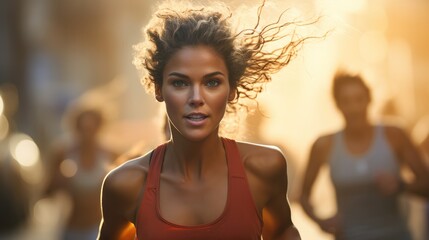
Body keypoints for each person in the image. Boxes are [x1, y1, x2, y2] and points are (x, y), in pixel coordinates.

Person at [98, 1, 307, 239]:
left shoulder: (264, 168)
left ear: (231, 89)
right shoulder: (126, 185)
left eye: (211, 82)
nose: (196, 98)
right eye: (180, 83)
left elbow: (282, 231)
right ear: (158, 89)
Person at [300, 71, 429, 240]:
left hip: (395, 235)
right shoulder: (324, 145)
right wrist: (321, 221)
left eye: (359, 99)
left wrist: (400, 185)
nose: (354, 108)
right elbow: (302, 196)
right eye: (346, 101)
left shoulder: (394, 135)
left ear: (369, 100)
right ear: (337, 105)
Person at [45, 107, 116, 240]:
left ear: (99, 128)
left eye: (91, 129)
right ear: (76, 129)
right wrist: (59, 180)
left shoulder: (110, 154)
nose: (87, 134)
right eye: (83, 129)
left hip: (98, 227)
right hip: (72, 228)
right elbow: (47, 192)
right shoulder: (63, 154)